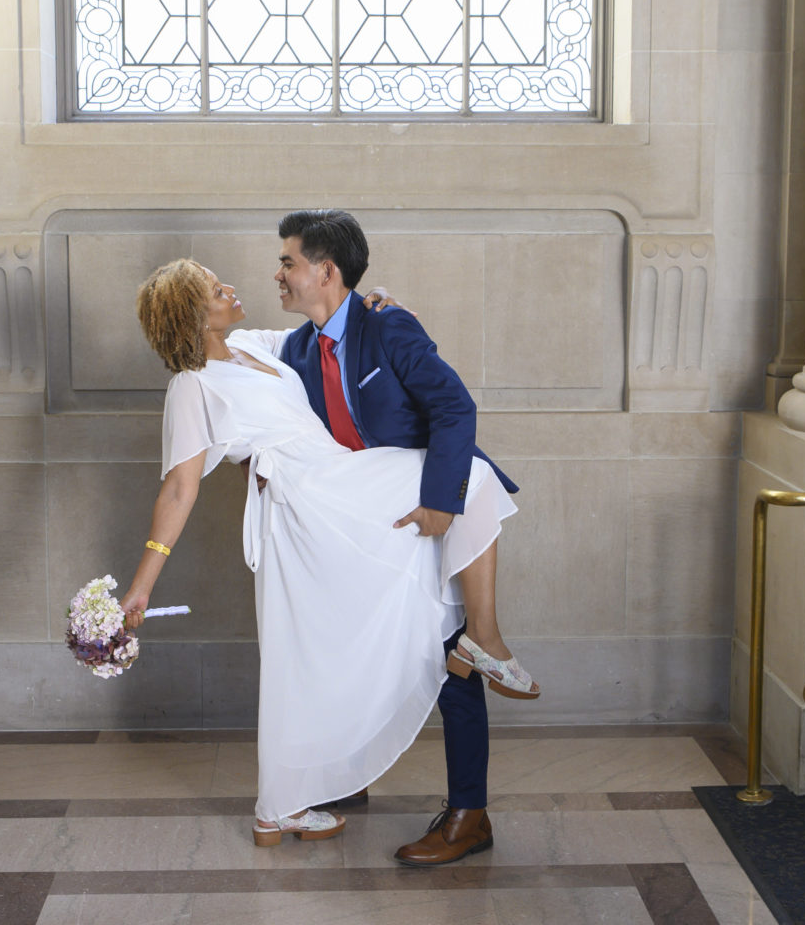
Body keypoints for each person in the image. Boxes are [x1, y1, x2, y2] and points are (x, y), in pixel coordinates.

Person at [117, 258, 519, 849]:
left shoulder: (253, 345)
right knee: (470, 478)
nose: (230, 288)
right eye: (213, 289)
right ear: (190, 315)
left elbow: (331, 329)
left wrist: (380, 303)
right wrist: (142, 585)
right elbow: (180, 487)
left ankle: (287, 805)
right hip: (310, 505)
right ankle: (482, 637)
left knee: (322, 653)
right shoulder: (191, 387)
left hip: (336, 484)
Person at [273, 209, 537, 866]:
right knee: (347, 649)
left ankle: (469, 815)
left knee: (448, 658)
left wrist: (439, 506)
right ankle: (346, 775)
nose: (278, 273)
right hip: (361, 528)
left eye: (288, 261)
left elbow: (454, 408)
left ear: (326, 271)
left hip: (425, 519)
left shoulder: (388, 326)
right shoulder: (298, 351)